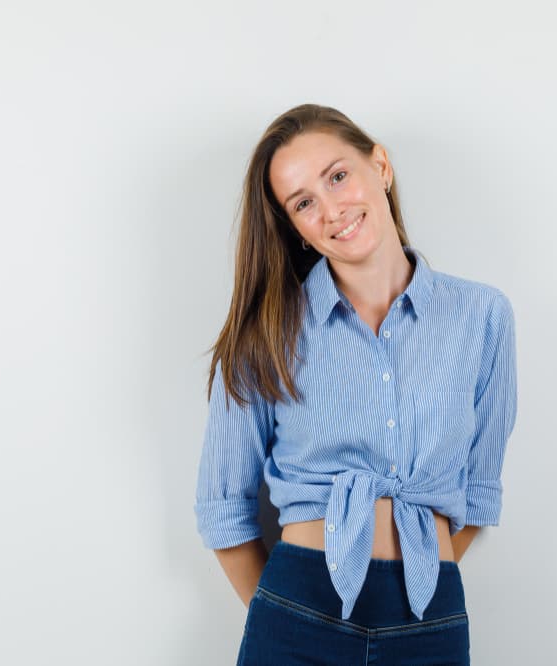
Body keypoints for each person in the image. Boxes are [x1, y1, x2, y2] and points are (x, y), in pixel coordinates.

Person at [193, 103, 517, 665]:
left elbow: (479, 491)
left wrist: (419, 578)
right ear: (294, 226)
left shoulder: (482, 317)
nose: (332, 210)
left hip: (430, 620)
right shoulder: (267, 333)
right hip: (298, 615)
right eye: (303, 203)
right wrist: (289, 613)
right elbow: (223, 508)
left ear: (381, 167)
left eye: (338, 175)